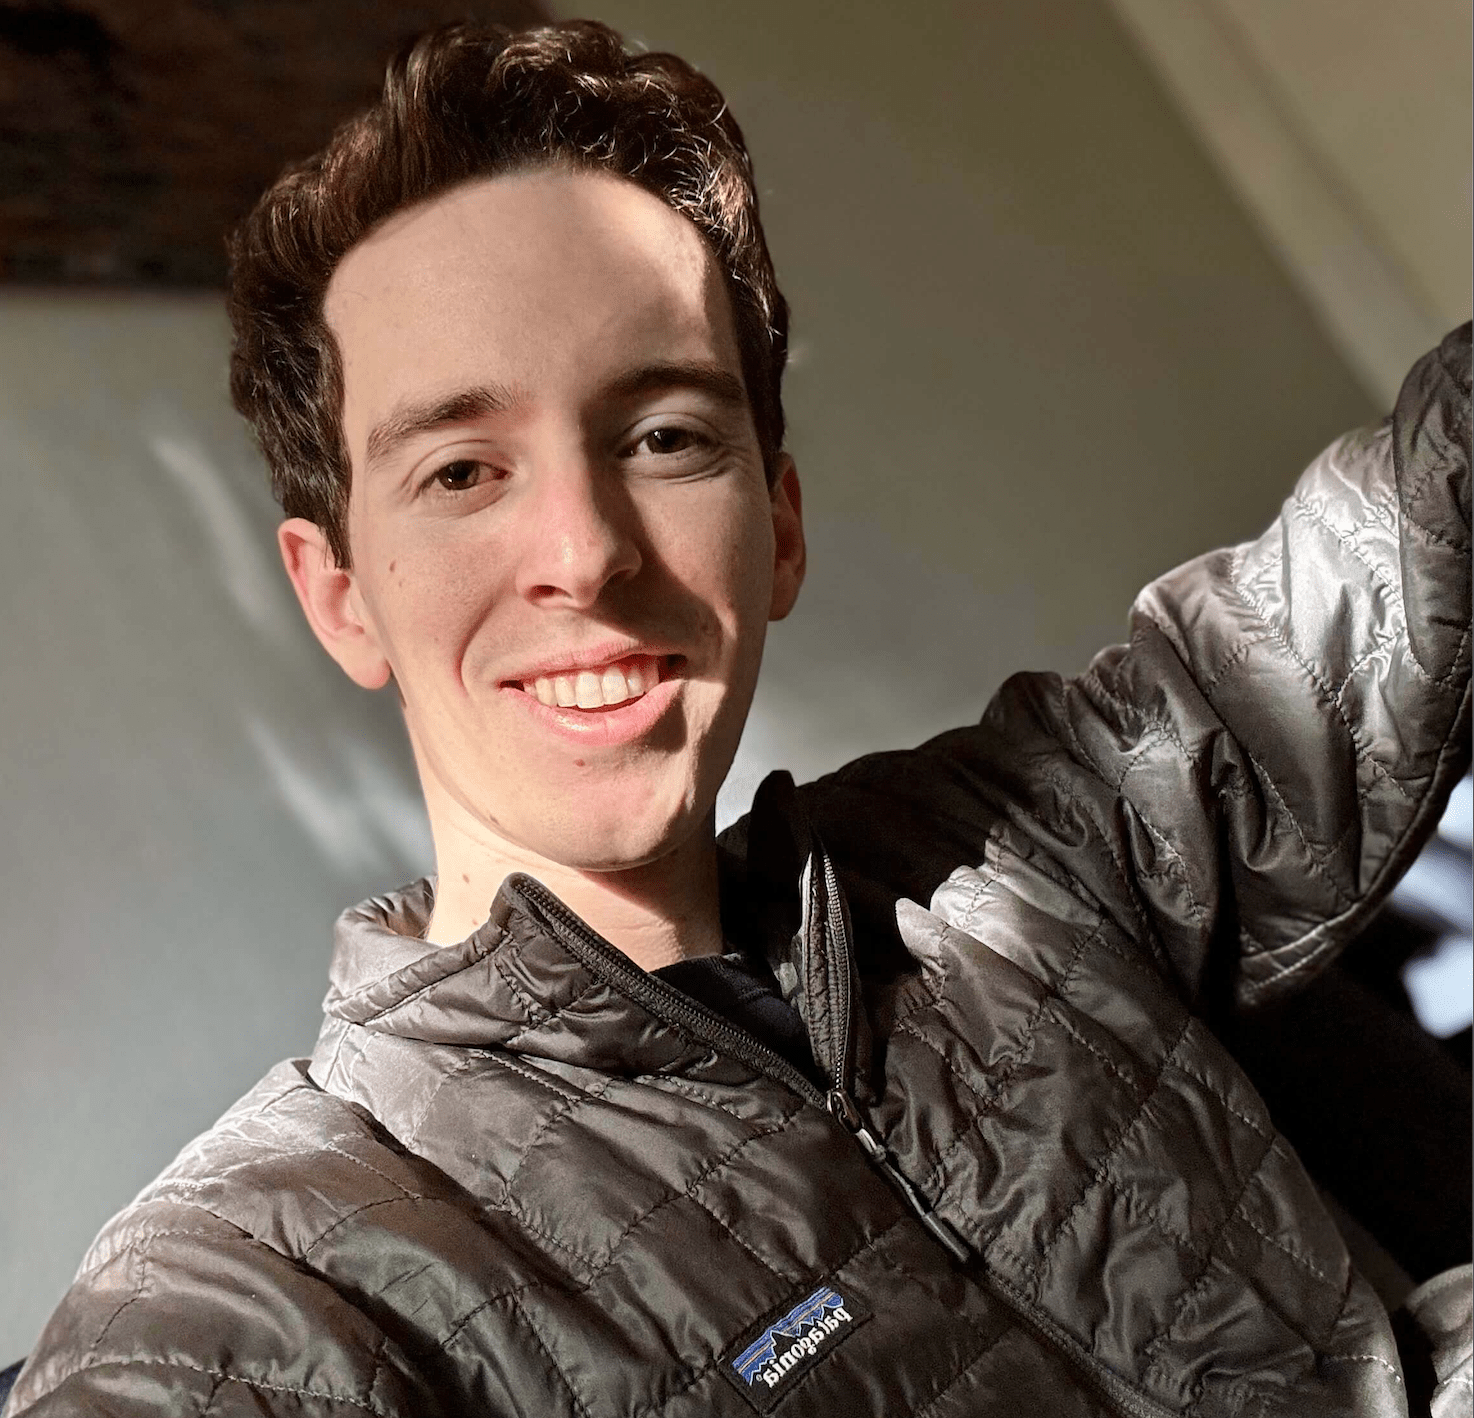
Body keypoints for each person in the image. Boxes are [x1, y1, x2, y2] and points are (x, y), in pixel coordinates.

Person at [5, 19, 1469, 1418]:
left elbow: (1399, 554)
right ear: (339, 597)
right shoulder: (260, 1294)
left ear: (778, 526)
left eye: (662, 436)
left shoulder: (997, 849)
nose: (584, 552)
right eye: (461, 470)